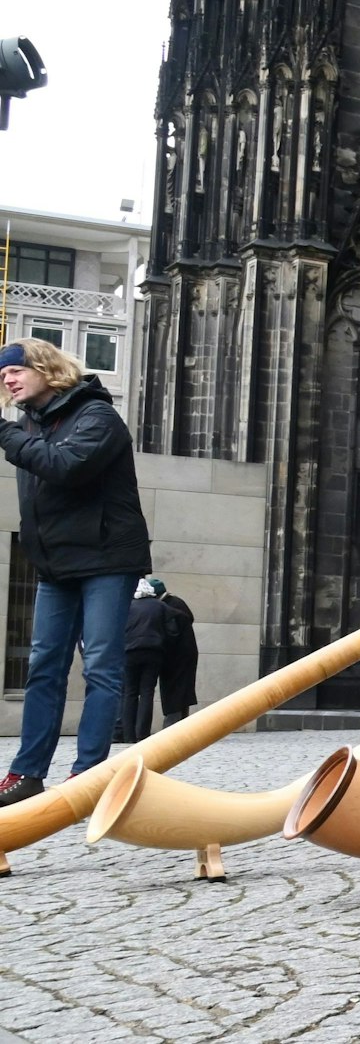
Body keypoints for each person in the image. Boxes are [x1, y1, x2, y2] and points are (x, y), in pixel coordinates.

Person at [0, 339, 153, 807]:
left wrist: (5, 435)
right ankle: (26, 773)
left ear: (47, 368)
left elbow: (65, 467)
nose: (7, 380)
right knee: (43, 667)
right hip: (56, 565)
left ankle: (87, 774)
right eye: (2, 376)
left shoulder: (97, 417)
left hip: (106, 559)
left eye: (15, 370)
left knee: (102, 665)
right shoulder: (29, 425)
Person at [121, 576, 195, 740]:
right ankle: (142, 734)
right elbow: (181, 619)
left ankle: (128, 735)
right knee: (147, 692)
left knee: (130, 693)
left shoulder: (128, 607)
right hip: (152, 652)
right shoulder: (160, 606)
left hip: (130, 653)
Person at [158, 579, 199, 727]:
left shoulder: (167, 607)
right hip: (186, 653)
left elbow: (171, 634)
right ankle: (181, 724)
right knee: (183, 691)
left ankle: (172, 725)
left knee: (173, 692)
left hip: (175, 656)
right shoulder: (177, 603)